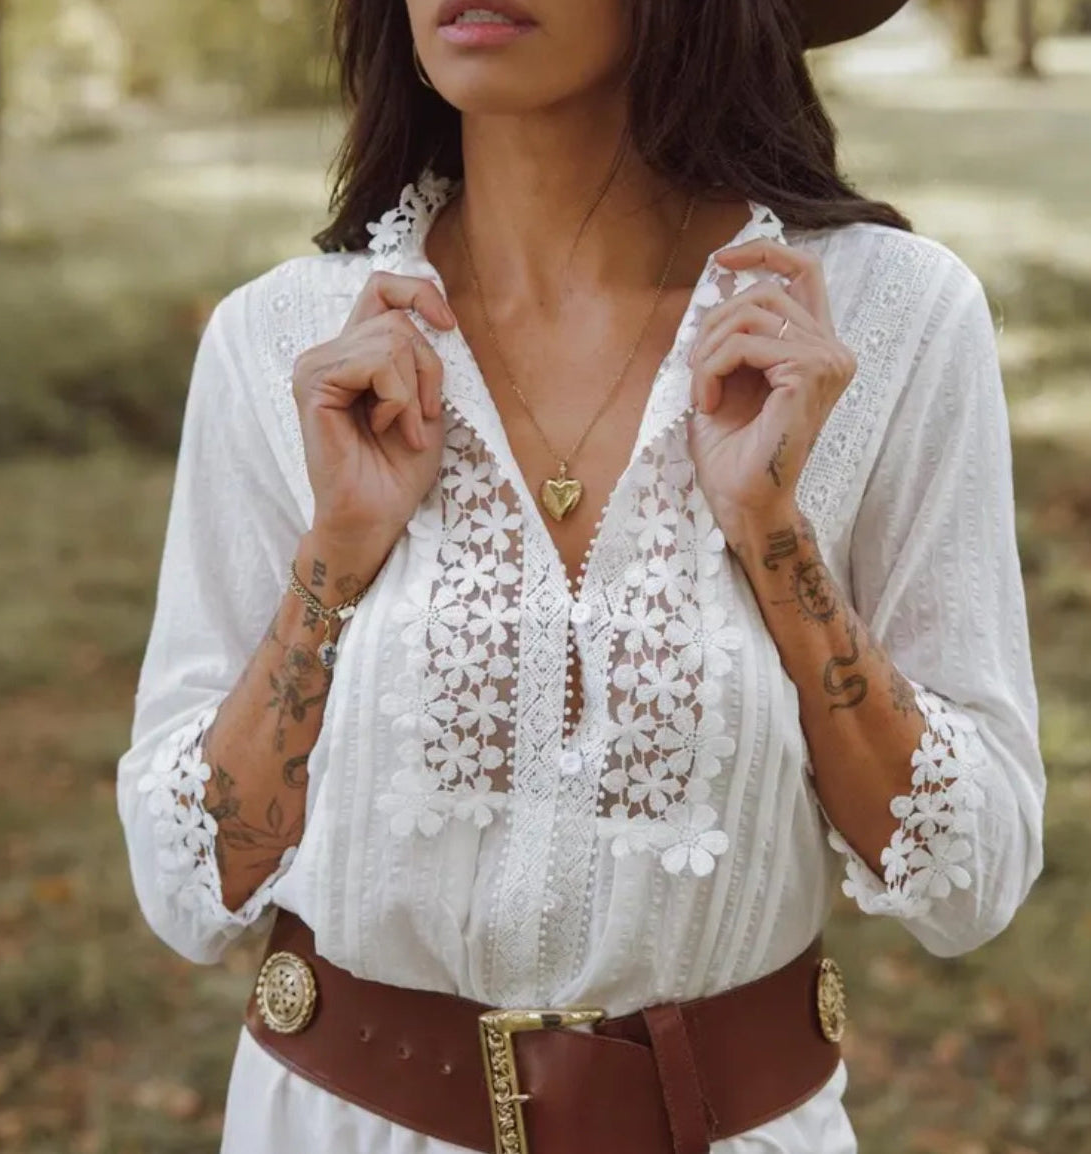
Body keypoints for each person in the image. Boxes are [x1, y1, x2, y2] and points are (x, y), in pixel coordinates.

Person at [116, 0, 1046, 1150]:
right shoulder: (284, 344)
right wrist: (338, 552)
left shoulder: (881, 321)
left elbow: (972, 874)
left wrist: (769, 528)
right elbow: (188, 883)